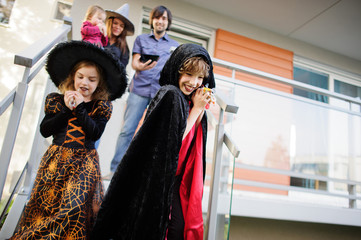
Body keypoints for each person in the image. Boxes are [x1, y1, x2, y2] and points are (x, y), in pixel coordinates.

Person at [91, 43, 215, 240]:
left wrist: (199, 108)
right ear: (177, 70)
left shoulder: (187, 100)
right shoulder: (170, 94)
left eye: (200, 77)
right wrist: (198, 109)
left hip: (175, 179)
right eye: (189, 74)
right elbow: (173, 140)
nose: (194, 82)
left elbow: (193, 142)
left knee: (179, 228)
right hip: (156, 179)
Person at [10, 41, 127, 239]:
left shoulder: (102, 106)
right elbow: (45, 130)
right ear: (73, 76)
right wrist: (66, 108)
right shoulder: (56, 100)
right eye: (80, 77)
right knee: (46, 207)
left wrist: (80, 108)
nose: (84, 83)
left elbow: (94, 133)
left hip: (84, 163)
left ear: (99, 83)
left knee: (74, 209)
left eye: (91, 79)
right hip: (56, 161)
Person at [106, 5, 179, 178]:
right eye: (157, 18)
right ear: (152, 20)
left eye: (164, 19)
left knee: (151, 134)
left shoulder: (174, 46)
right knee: (127, 130)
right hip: (139, 89)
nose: (160, 21)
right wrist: (142, 66)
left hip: (159, 94)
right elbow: (135, 63)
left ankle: (141, 175)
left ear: (167, 23)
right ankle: (115, 170)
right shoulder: (141, 39)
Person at [105, 3, 134, 67]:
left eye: (121, 26)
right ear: (110, 23)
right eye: (115, 23)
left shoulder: (124, 48)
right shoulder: (100, 39)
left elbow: (122, 69)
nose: (118, 27)